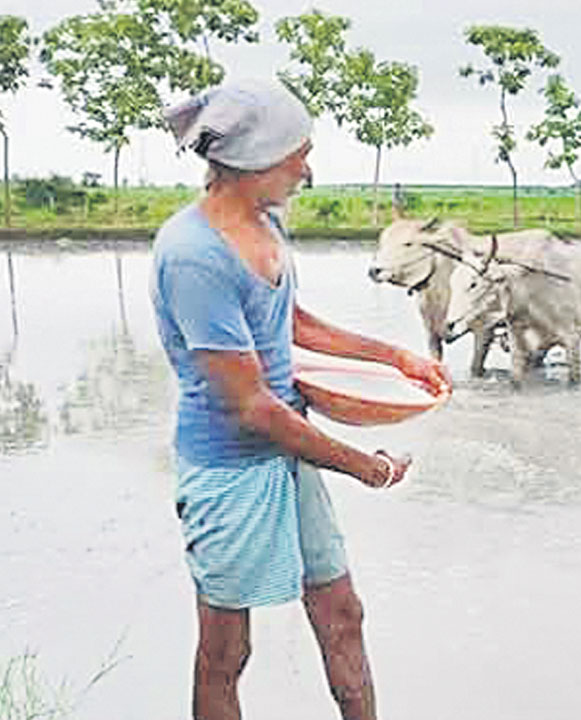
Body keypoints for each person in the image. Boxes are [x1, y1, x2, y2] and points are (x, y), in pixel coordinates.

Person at [150, 78, 450, 720]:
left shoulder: (266, 224)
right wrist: (361, 464)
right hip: (230, 472)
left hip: (291, 453)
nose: (307, 170)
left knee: (343, 614)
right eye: (299, 154)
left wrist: (393, 356)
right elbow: (252, 408)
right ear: (256, 161)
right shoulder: (194, 255)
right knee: (226, 652)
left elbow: (287, 318)